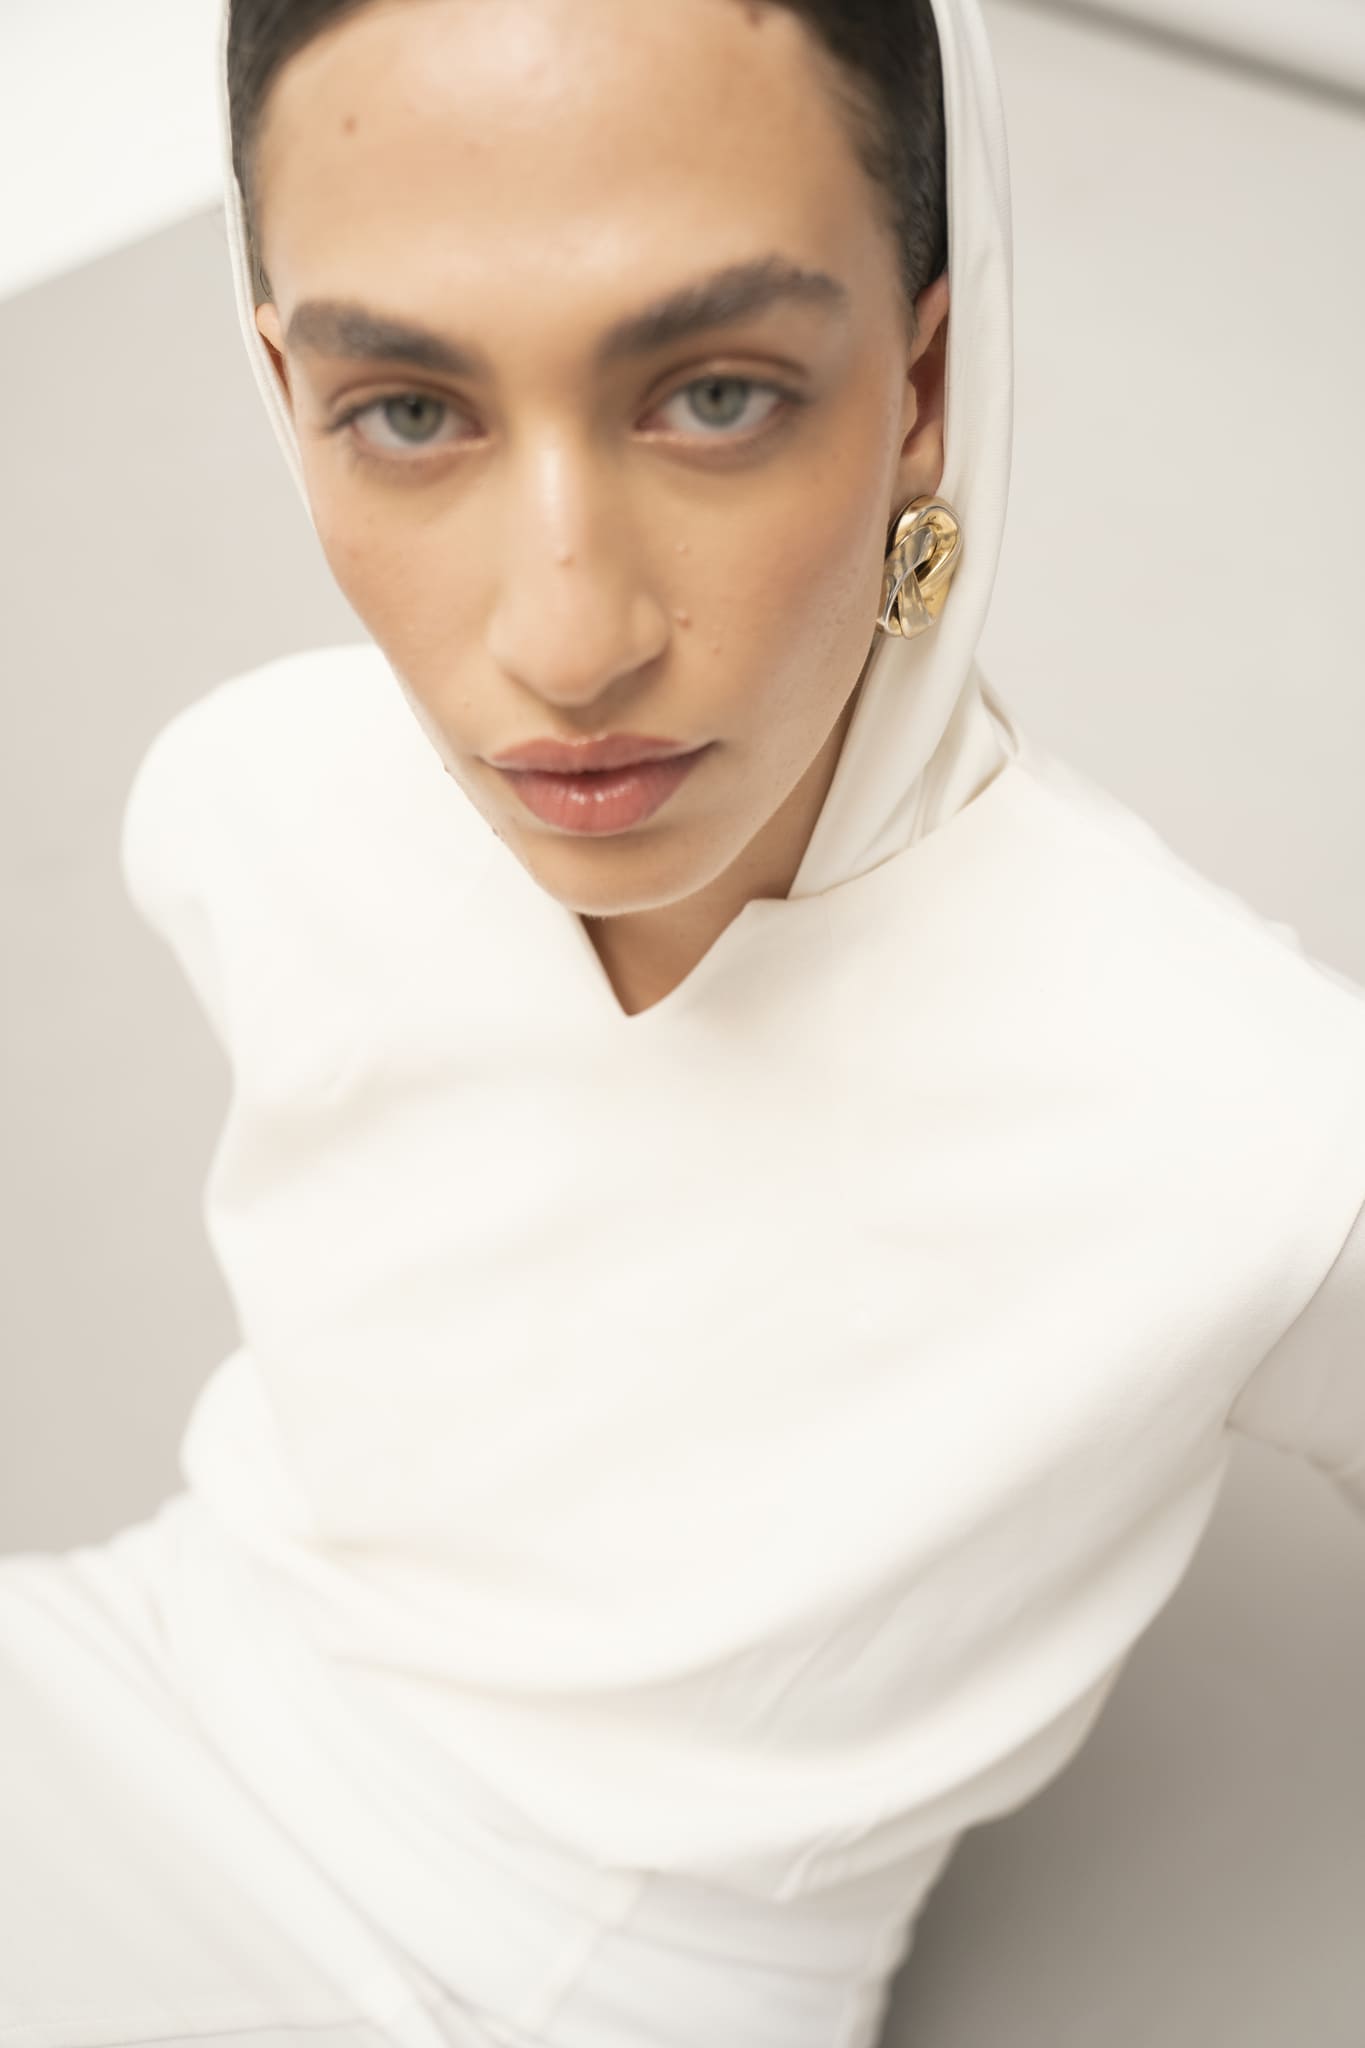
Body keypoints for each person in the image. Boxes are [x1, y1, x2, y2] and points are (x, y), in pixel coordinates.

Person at [2, 1, 1363, 2043]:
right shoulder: (243, 801)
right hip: (116, 1683)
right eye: (406, 409)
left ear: (919, 385)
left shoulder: (1244, 1123)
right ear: (277, 377)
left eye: (712, 391)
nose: (563, 636)